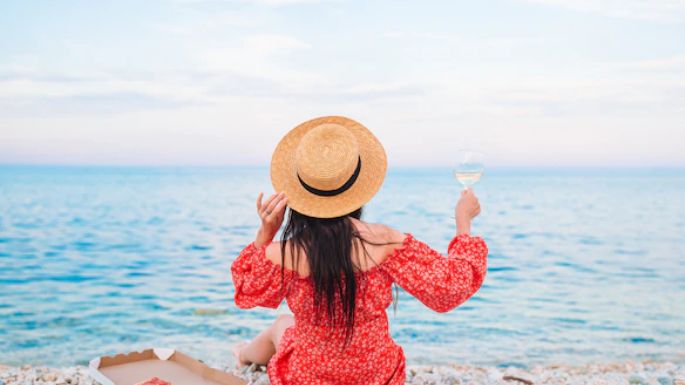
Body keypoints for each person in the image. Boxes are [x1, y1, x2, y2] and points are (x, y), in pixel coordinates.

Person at [231, 116, 488, 385]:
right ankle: (243, 354)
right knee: (285, 326)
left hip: (310, 378)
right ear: (357, 189)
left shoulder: (284, 254)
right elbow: (451, 287)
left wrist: (266, 232)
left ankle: (242, 356)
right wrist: (463, 223)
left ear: (300, 194)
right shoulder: (385, 242)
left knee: (283, 325)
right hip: (376, 377)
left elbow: (246, 290)